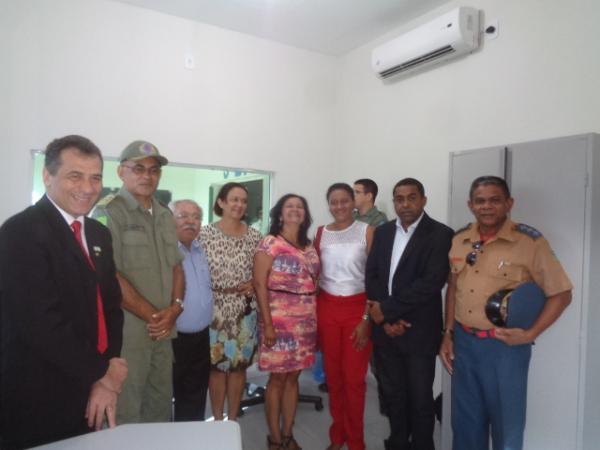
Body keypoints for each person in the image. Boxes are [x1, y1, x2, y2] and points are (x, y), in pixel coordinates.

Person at [0, 135, 127, 448]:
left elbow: (111, 307)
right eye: (75, 176)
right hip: (39, 392)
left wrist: (107, 370)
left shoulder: (98, 233)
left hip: (91, 385)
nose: (87, 188)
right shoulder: (21, 232)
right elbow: (41, 324)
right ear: (47, 176)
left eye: (95, 178)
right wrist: (103, 373)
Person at [439, 175, 572, 450]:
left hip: (505, 348)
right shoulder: (460, 239)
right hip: (464, 344)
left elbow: (561, 293)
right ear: (470, 205)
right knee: (465, 425)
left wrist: (530, 334)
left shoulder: (530, 242)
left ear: (508, 203)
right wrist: (448, 333)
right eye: (480, 201)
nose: (487, 206)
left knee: (506, 428)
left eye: (495, 200)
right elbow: (453, 287)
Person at [93, 140, 185, 423]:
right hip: (129, 332)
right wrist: (157, 317)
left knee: (159, 405)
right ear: (121, 172)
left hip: (163, 330)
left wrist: (176, 307)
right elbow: (109, 276)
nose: (147, 176)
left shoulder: (165, 215)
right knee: (127, 409)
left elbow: (177, 267)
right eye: (138, 168)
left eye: (154, 170)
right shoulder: (108, 212)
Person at [367, 178, 453, 450]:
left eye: (411, 197)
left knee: (420, 399)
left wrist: (388, 311)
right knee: (393, 395)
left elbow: (431, 283)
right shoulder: (383, 233)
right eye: (399, 199)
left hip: (419, 331)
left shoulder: (440, 234)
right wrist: (388, 319)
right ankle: (398, 442)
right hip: (386, 331)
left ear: (423, 200)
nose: (405, 204)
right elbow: (373, 276)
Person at [254, 194, 320, 450]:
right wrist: (268, 324)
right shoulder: (269, 243)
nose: (295, 210)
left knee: (293, 378)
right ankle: (274, 438)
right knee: (277, 380)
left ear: (305, 215)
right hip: (278, 320)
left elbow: (315, 281)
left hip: (305, 319)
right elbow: (260, 284)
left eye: (300, 207)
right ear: (280, 214)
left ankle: (289, 434)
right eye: (289, 206)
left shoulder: (310, 245)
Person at [316, 183, 374, 450]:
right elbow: (315, 277)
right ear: (329, 204)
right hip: (326, 309)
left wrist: (366, 319)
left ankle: (356, 442)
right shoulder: (320, 234)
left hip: (357, 310)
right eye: (333, 202)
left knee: (353, 380)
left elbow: (376, 280)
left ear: (353, 202)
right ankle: (337, 435)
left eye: (343, 201)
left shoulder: (367, 232)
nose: (338, 206)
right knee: (333, 377)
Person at [199, 182, 262, 421]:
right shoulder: (204, 234)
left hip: (244, 311)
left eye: (243, 201)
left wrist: (254, 283)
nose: (239, 205)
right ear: (221, 202)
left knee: (238, 369)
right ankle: (216, 419)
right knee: (216, 369)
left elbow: (263, 271)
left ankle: (232, 419)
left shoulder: (255, 236)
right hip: (214, 310)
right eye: (234, 199)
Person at [170, 200, 213, 421]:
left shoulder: (200, 249)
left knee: (196, 394)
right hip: (173, 338)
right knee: (169, 395)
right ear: (170, 220)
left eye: (196, 217)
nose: (190, 221)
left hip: (201, 336)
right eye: (183, 216)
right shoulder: (165, 251)